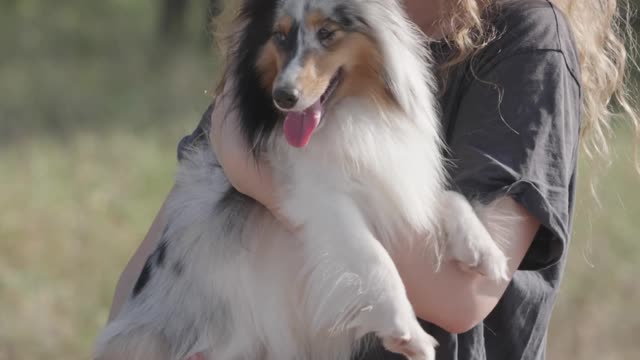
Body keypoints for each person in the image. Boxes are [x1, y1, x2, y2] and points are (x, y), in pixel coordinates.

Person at [107, 0, 638, 359]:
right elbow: (155, 264)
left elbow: (462, 294)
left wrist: (259, 175)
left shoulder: (526, 38)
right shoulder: (296, 17)